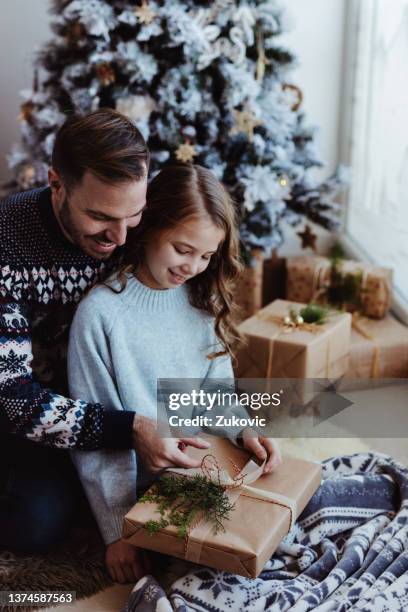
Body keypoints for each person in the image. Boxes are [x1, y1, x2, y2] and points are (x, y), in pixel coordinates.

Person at [0, 109, 209, 554]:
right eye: (99, 217)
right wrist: (130, 428)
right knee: (38, 523)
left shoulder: (134, 226)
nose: (118, 236)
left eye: (133, 215)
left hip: (103, 401)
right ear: (56, 183)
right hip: (24, 418)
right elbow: (14, 403)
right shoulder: (7, 245)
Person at [68, 164, 282, 584]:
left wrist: (242, 430)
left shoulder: (199, 301)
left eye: (206, 256)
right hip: (143, 491)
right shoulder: (101, 315)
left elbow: (214, 393)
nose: (194, 266)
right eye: (183, 250)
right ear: (149, 227)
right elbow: (98, 438)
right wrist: (118, 532)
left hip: (202, 473)